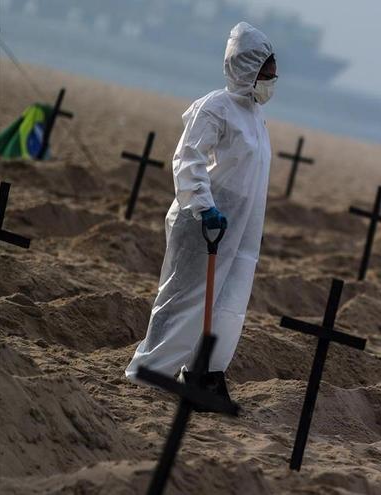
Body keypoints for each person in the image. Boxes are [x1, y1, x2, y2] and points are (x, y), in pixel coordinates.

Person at [125, 22, 276, 406]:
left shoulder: (256, 118)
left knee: (228, 305)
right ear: (246, 69)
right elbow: (188, 159)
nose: (270, 82)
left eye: (273, 75)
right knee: (184, 298)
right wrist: (204, 206)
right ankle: (149, 371)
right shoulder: (215, 108)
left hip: (242, 230)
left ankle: (204, 371)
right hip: (204, 222)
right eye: (266, 74)